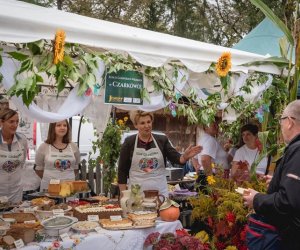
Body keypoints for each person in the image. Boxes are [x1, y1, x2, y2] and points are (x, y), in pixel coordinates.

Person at [243, 100, 300, 249]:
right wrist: (278, 181)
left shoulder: (298, 150)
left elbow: (287, 201)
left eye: (281, 120)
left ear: (289, 122)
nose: (280, 126)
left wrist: (257, 199)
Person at [118, 111, 202, 197]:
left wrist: (185, 157)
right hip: (137, 195)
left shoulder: (162, 140)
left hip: (159, 194)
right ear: (136, 125)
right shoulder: (129, 142)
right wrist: (123, 195)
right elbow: (122, 171)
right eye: (142, 123)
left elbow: (176, 158)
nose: (147, 126)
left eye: (148, 122)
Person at [34, 120, 80, 191]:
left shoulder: (73, 146)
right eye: (58, 125)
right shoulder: (44, 146)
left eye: (65, 125)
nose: (62, 128)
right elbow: (38, 169)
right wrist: (49, 178)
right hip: (49, 187)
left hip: (69, 188)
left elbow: (76, 168)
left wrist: (66, 177)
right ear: (52, 128)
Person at [0, 109, 28, 203]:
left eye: (17, 122)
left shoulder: (22, 140)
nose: (15, 125)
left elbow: (22, 162)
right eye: (11, 122)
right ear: (2, 122)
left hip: (16, 191)